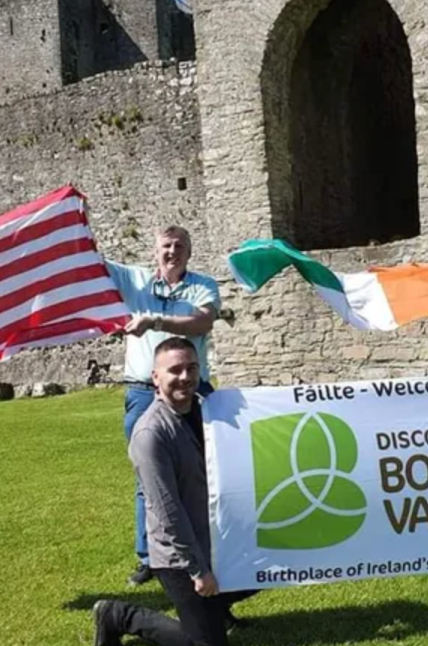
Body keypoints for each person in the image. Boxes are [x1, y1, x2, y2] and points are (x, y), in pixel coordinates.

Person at [93, 337, 255, 646]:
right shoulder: (150, 435)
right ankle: (119, 615)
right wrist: (198, 570)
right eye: (175, 370)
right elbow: (169, 513)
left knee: (272, 565)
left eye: (191, 368)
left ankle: (211, 608)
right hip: (178, 557)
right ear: (155, 377)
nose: (185, 377)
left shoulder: (210, 411)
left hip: (215, 538)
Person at [106, 226, 221, 585]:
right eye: (166, 246)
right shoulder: (134, 279)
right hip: (143, 392)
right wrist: (77, 216)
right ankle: (150, 557)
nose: (172, 252)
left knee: (206, 470)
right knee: (150, 475)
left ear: (189, 252)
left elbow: (202, 321)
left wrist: (156, 321)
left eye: (179, 246)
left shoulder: (204, 286)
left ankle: (210, 543)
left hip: (193, 389)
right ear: (155, 251)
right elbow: (90, 261)